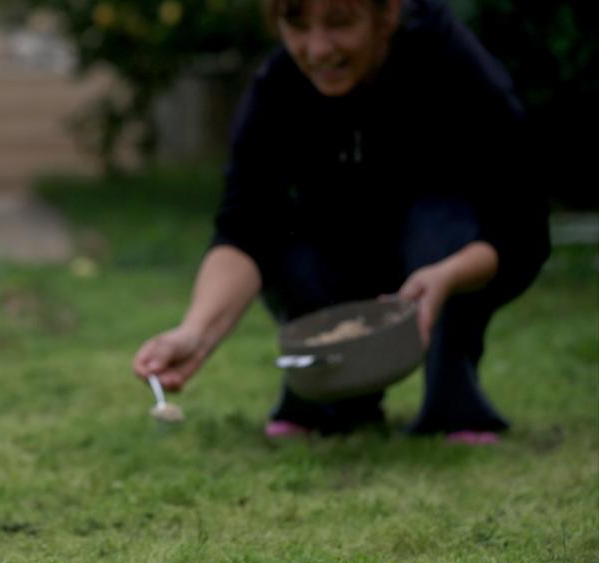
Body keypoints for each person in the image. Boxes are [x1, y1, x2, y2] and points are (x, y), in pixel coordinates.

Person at [132, 0, 550, 443]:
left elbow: (519, 225)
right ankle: (329, 400)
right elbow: (245, 226)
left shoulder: (450, 61)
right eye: (296, 23)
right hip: (339, 253)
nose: (316, 48)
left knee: (438, 225)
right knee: (284, 238)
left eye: (340, 22)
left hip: (444, 251)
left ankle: (454, 401)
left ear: (386, 14)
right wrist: (195, 332)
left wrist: (447, 275)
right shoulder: (278, 86)